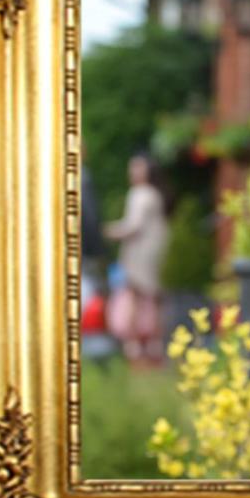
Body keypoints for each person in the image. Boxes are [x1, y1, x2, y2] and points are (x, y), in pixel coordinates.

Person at [103, 153, 171, 366]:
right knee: (153, 298)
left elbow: (133, 226)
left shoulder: (139, 193)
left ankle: (133, 346)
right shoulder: (155, 193)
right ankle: (154, 345)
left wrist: (108, 231)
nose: (133, 172)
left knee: (135, 296)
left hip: (140, 253)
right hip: (155, 250)